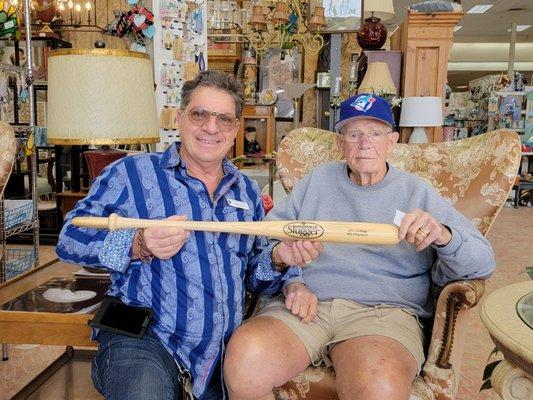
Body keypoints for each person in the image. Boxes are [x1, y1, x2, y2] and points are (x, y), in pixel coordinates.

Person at [56, 70, 322, 400]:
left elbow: (255, 275)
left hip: (218, 355)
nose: (211, 128)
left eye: (224, 119)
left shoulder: (247, 191)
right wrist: (137, 244)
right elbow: (69, 239)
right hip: (143, 337)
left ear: (236, 129)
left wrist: (279, 259)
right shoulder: (132, 173)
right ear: (180, 119)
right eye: (199, 114)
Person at [223, 93, 496, 400]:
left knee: (378, 388)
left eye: (376, 134)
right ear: (341, 143)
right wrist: (293, 280)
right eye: (354, 134)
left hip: (383, 315)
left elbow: (483, 261)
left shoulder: (417, 192)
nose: (365, 143)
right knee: (244, 360)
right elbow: (267, 241)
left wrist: (443, 235)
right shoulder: (317, 181)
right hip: (304, 307)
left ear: (392, 142)